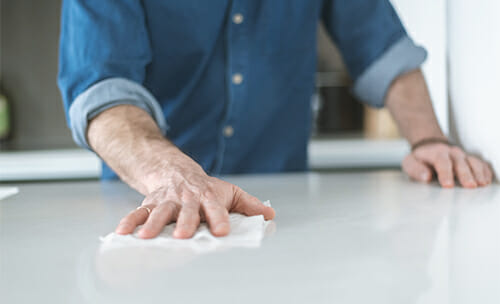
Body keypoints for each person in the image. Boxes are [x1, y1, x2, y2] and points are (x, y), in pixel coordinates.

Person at [58, 1, 492, 240]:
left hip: (278, 217)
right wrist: (173, 175)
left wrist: (428, 141)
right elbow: (102, 92)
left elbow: (383, 49)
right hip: (151, 205)